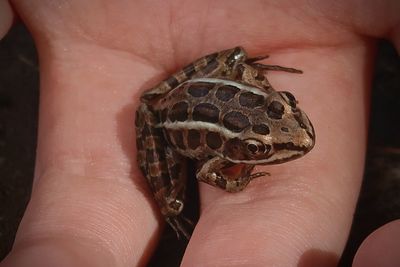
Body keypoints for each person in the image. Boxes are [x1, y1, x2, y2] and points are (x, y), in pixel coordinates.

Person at [1, 1, 399, 266]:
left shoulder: (271, 104)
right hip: (170, 127)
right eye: (260, 149)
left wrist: (245, 73)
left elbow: (238, 64)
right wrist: (239, 181)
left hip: (191, 88)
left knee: (236, 56)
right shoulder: (221, 154)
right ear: (244, 148)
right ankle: (174, 213)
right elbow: (209, 171)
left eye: (284, 104)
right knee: (173, 203)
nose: (302, 138)